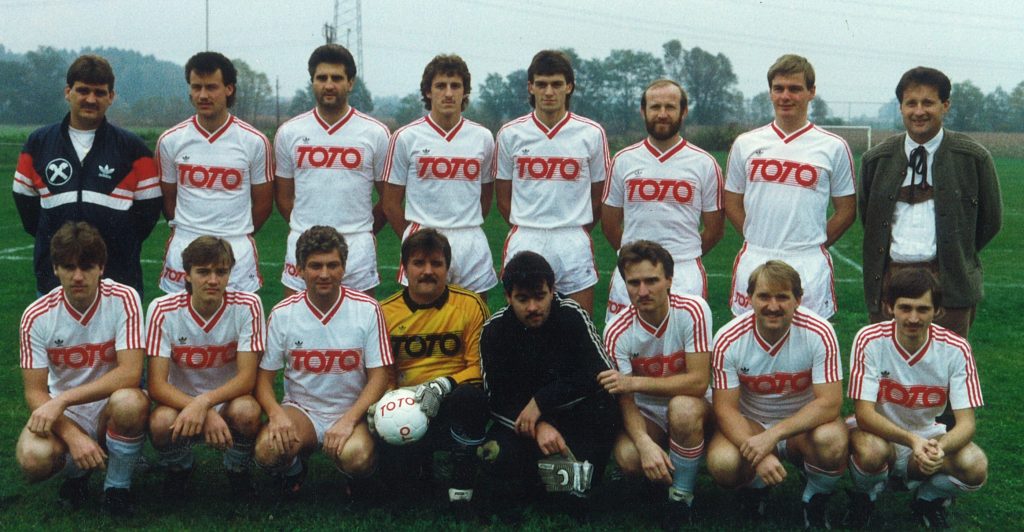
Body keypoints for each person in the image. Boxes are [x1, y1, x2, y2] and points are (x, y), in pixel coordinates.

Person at [16, 222, 148, 516]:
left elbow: (130, 372)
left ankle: (117, 487)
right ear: (55, 269)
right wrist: (72, 435)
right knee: (32, 458)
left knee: (130, 401)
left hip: (110, 403)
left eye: (87, 267)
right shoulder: (36, 316)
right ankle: (78, 474)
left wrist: (62, 400)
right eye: (68, 267)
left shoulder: (124, 299)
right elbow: (35, 392)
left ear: (101, 267)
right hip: (68, 412)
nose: (78, 276)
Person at [859, 66, 1002, 339]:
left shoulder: (973, 158)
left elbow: (991, 221)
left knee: (946, 362)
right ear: (901, 107)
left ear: (945, 105)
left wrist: (956, 253)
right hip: (890, 285)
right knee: (889, 363)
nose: (919, 111)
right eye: (911, 103)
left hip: (950, 288)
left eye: (928, 103)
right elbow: (870, 219)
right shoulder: (876, 160)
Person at [479, 251, 619, 521]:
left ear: (552, 291)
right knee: (495, 454)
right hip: (524, 423)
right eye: (522, 299)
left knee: (605, 408)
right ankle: (545, 479)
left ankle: (572, 484)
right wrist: (539, 425)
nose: (533, 307)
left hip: (572, 416)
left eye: (540, 296)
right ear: (508, 297)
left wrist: (541, 402)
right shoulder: (495, 330)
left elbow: (600, 372)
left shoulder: (571, 315)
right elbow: (495, 397)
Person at [707, 260, 846, 528]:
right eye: (764, 296)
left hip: (803, 427)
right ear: (749, 298)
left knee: (832, 441)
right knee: (723, 464)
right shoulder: (728, 338)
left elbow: (830, 403)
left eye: (782, 297)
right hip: (751, 424)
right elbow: (724, 409)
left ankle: (815, 497)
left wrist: (773, 436)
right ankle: (755, 490)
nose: (773, 306)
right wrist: (758, 451)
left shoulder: (820, 332)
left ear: (798, 300)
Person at [253, 226, 391, 496]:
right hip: (302, 410)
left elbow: (379, 377)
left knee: (357, 457)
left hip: (352, 409)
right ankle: (294, 470)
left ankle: (354, 476)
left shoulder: (367, 309)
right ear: (300, 270)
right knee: (267, 450)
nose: (325, 274)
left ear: (344, 268)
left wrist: (349, 420)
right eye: (315, 266)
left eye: (332, 265)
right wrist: (276, 414)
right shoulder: (283, 313)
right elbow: (264, 379)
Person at [845, 268, 986, 529]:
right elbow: (864, 414)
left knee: (975, 466)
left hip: (928, 433)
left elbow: (967, 423)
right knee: (871, 452)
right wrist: (913, 441)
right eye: (905, 308)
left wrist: (939, 448)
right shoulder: (870, 339)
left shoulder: (957, 348)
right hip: (878, 433)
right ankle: (865, 497)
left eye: (922, 309)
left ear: (937, 311)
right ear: (889, 307)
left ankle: (927, 500)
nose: (913, 318)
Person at [13, 54, 161, 298]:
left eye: (100, 92)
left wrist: (118, 241)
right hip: (54, 281)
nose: (91, 99)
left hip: (118, 281)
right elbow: (28, 212)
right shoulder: (38, 143)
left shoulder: (133, 149)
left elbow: (147, 214)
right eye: (83, 90)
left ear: (111, 97)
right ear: (68, 92)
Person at [724, 54, 856, 319]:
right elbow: (732, 201)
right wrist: (757, 236)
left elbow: (846, 210)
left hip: (808, 262)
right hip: (756, 256)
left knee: (810, 338)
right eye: (779, 88)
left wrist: (813, 243)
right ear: (770, 92)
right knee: (749, 337)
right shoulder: (745, 143)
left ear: (811, 92)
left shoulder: (833, 146)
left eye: (794, 89)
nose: (785, 96)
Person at [599, 241, 713, 528]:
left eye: (652, 281)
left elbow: (699, 382)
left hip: (693, 405)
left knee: (683, 409)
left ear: (669, 280)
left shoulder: (693, 310)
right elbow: (625, 399)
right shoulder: (616, 331)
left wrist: (634, 382)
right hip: (646, 412)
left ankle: (681, 496)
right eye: (633, 283)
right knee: (629, 457)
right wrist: (644, 443)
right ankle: (659, 472)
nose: (643, 291)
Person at [377, 229, 491, 517]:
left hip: (453, 401)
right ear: (404, 268)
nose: (428, 271)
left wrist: (443, 385)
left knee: (471, 398)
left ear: (447, 268)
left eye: (436, 264)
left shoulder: (470, 304)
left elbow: (479, 367)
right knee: (397, 489)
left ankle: (463, 477)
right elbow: (384, 372)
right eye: (419, 263)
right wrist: (385, 402)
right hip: (407, 405)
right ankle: (419, 464)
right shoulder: (385, 312)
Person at [145, 236, 265, 498]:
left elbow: (247, 378)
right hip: (179, 401)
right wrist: (201, 408)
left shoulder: (248, 305)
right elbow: (156, 385)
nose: (213, 280)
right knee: (160, 422)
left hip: (230, 399)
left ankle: (237, 468)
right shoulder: (162, 309)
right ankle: (179, 467)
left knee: (248, 412)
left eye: (221, 272)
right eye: (203, 272)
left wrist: (205, 403)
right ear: (187, 275)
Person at [495, 50, 610, 314]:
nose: (549, 92)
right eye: (542, 84)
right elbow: (502, 197)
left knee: (578, 324)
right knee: (522, 323)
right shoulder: (511, 133)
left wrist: (576, 228)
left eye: (557, 84)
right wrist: (529, 223)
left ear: (569, 87)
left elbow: (599, 195)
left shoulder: (591, 133)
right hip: (526, 235)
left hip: (572, 238)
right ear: (530, 87)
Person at [601, 79, 724, 324]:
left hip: (684, 272)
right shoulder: (623, 160)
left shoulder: (704, 163)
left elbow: (714, 230)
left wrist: (683, 252)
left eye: (670, 107)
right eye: (655, 107)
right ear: (643, 111)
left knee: (686, 343)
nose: (662, 114)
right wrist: (636, 257)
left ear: (684, 111)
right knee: (624, 342)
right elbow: (610, 224)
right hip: (632, 271)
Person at [275, 44, 390, 298]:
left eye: (337, 78)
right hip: (303, 245)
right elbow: (283, 197)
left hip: (356, 247)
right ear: (312, 81)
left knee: (359, 321)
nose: (328, 85)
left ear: (350, 83)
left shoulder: (376, 133)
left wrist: (363, 230)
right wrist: (308, 234)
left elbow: (388, 198)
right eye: (322, 78)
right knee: (295, 320)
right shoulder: (289, 132)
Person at [157, 51, 273, 294]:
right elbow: (168, 199)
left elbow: (263, 204)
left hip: (235, 248)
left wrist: (235, 233)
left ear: (229, 89)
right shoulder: (171, 140)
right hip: (185, 245)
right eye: (196, 87)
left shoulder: (254, 141)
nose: (203, 95)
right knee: (179, 317)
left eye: (211, 87)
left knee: (238, 318)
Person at [382, 54, 497, 299]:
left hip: (470, 241)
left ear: (465, 92)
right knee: (422, 319)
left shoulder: (483, 137)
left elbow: (486, 197)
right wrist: (414, 242)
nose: (448, 93)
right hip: (424, 239)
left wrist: (465, 222)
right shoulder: (406, 137)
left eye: (455, 86)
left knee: (476, 317)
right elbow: (390, 203)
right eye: (440, 86)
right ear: (427, 91)